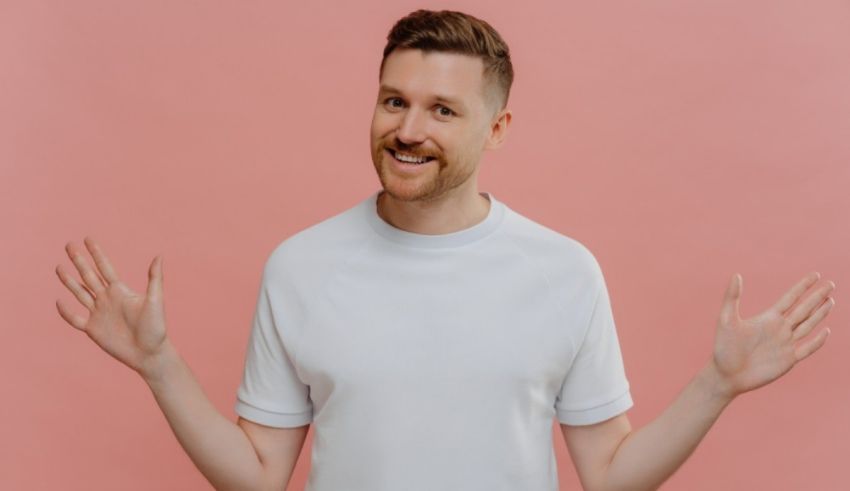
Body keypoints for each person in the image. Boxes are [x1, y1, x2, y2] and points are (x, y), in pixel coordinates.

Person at [54, 9, 835, 491]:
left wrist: (719, 383)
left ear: (495, 130)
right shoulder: (300, 264)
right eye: (394, 100)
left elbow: (609, 472)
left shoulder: (563, 271)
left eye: (442, 110)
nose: (407, 129)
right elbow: (259, 474)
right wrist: (159, 365)